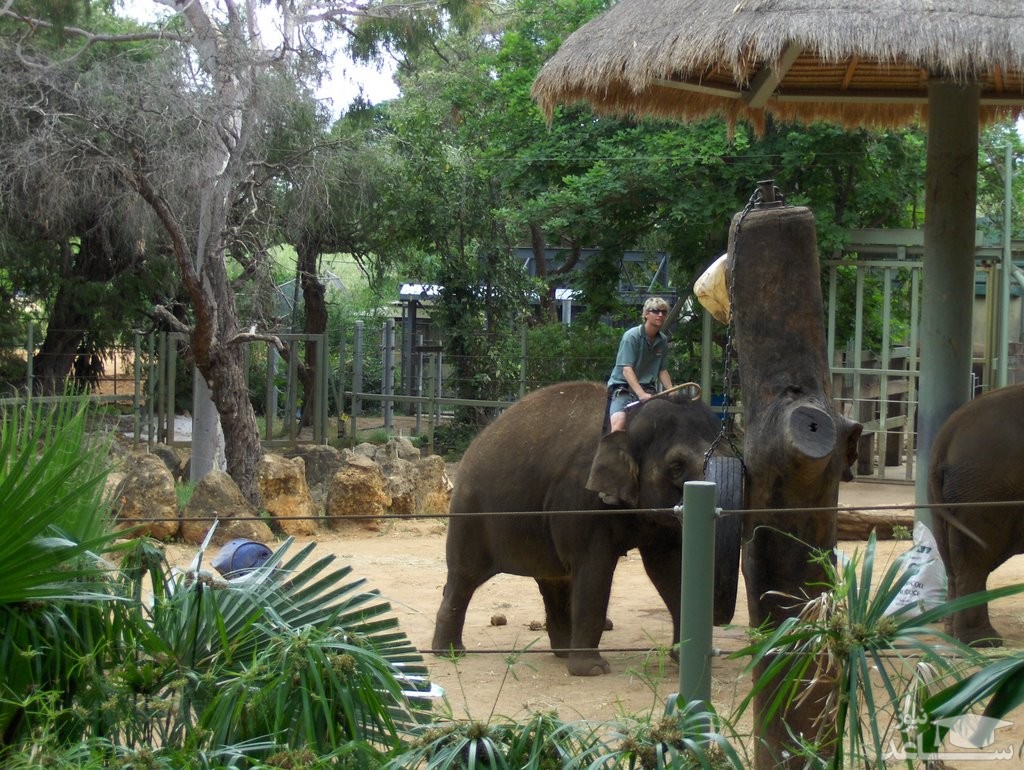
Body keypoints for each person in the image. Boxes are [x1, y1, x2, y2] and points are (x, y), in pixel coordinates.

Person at [605, 297, 673, 433]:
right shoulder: (631, 336)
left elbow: (662, 370)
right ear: (646, 314)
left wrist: (672, 391)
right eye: (656, 311)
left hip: (648, 389)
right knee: (618, 425)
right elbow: (626, 370)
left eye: (664, 312)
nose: (660, 315)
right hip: (623, 387)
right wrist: (640, 394)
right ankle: (614, 453)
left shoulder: (663, 340)